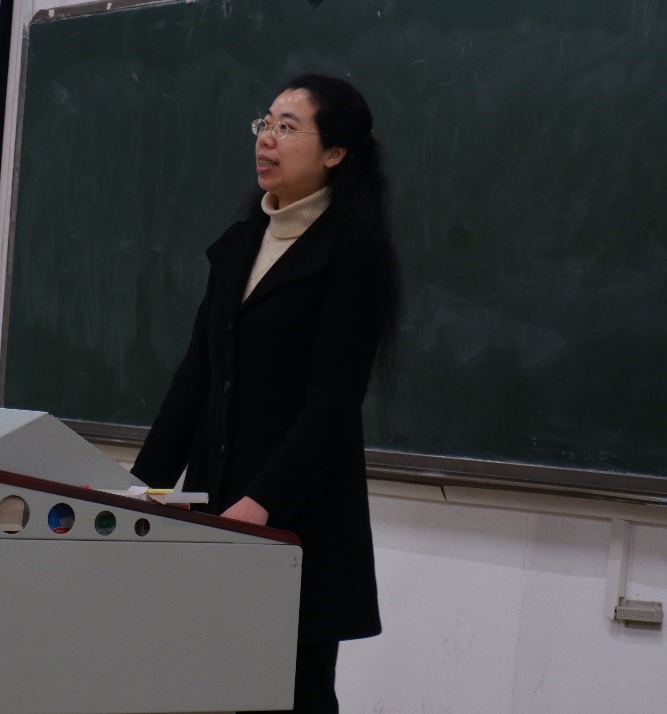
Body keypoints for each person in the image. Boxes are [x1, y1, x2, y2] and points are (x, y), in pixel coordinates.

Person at [131, 74, 401, 712]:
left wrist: (262, 502)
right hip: (215, 501)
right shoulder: (240, 244)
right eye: (265, 123)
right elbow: (196, 379)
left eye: (288, 127)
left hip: (297, 516)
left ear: (334, 153)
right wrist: (142, 488)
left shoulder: (354, 250)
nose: (266, 139)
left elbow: (333, 404)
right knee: (206, 687)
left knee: (291, 693)